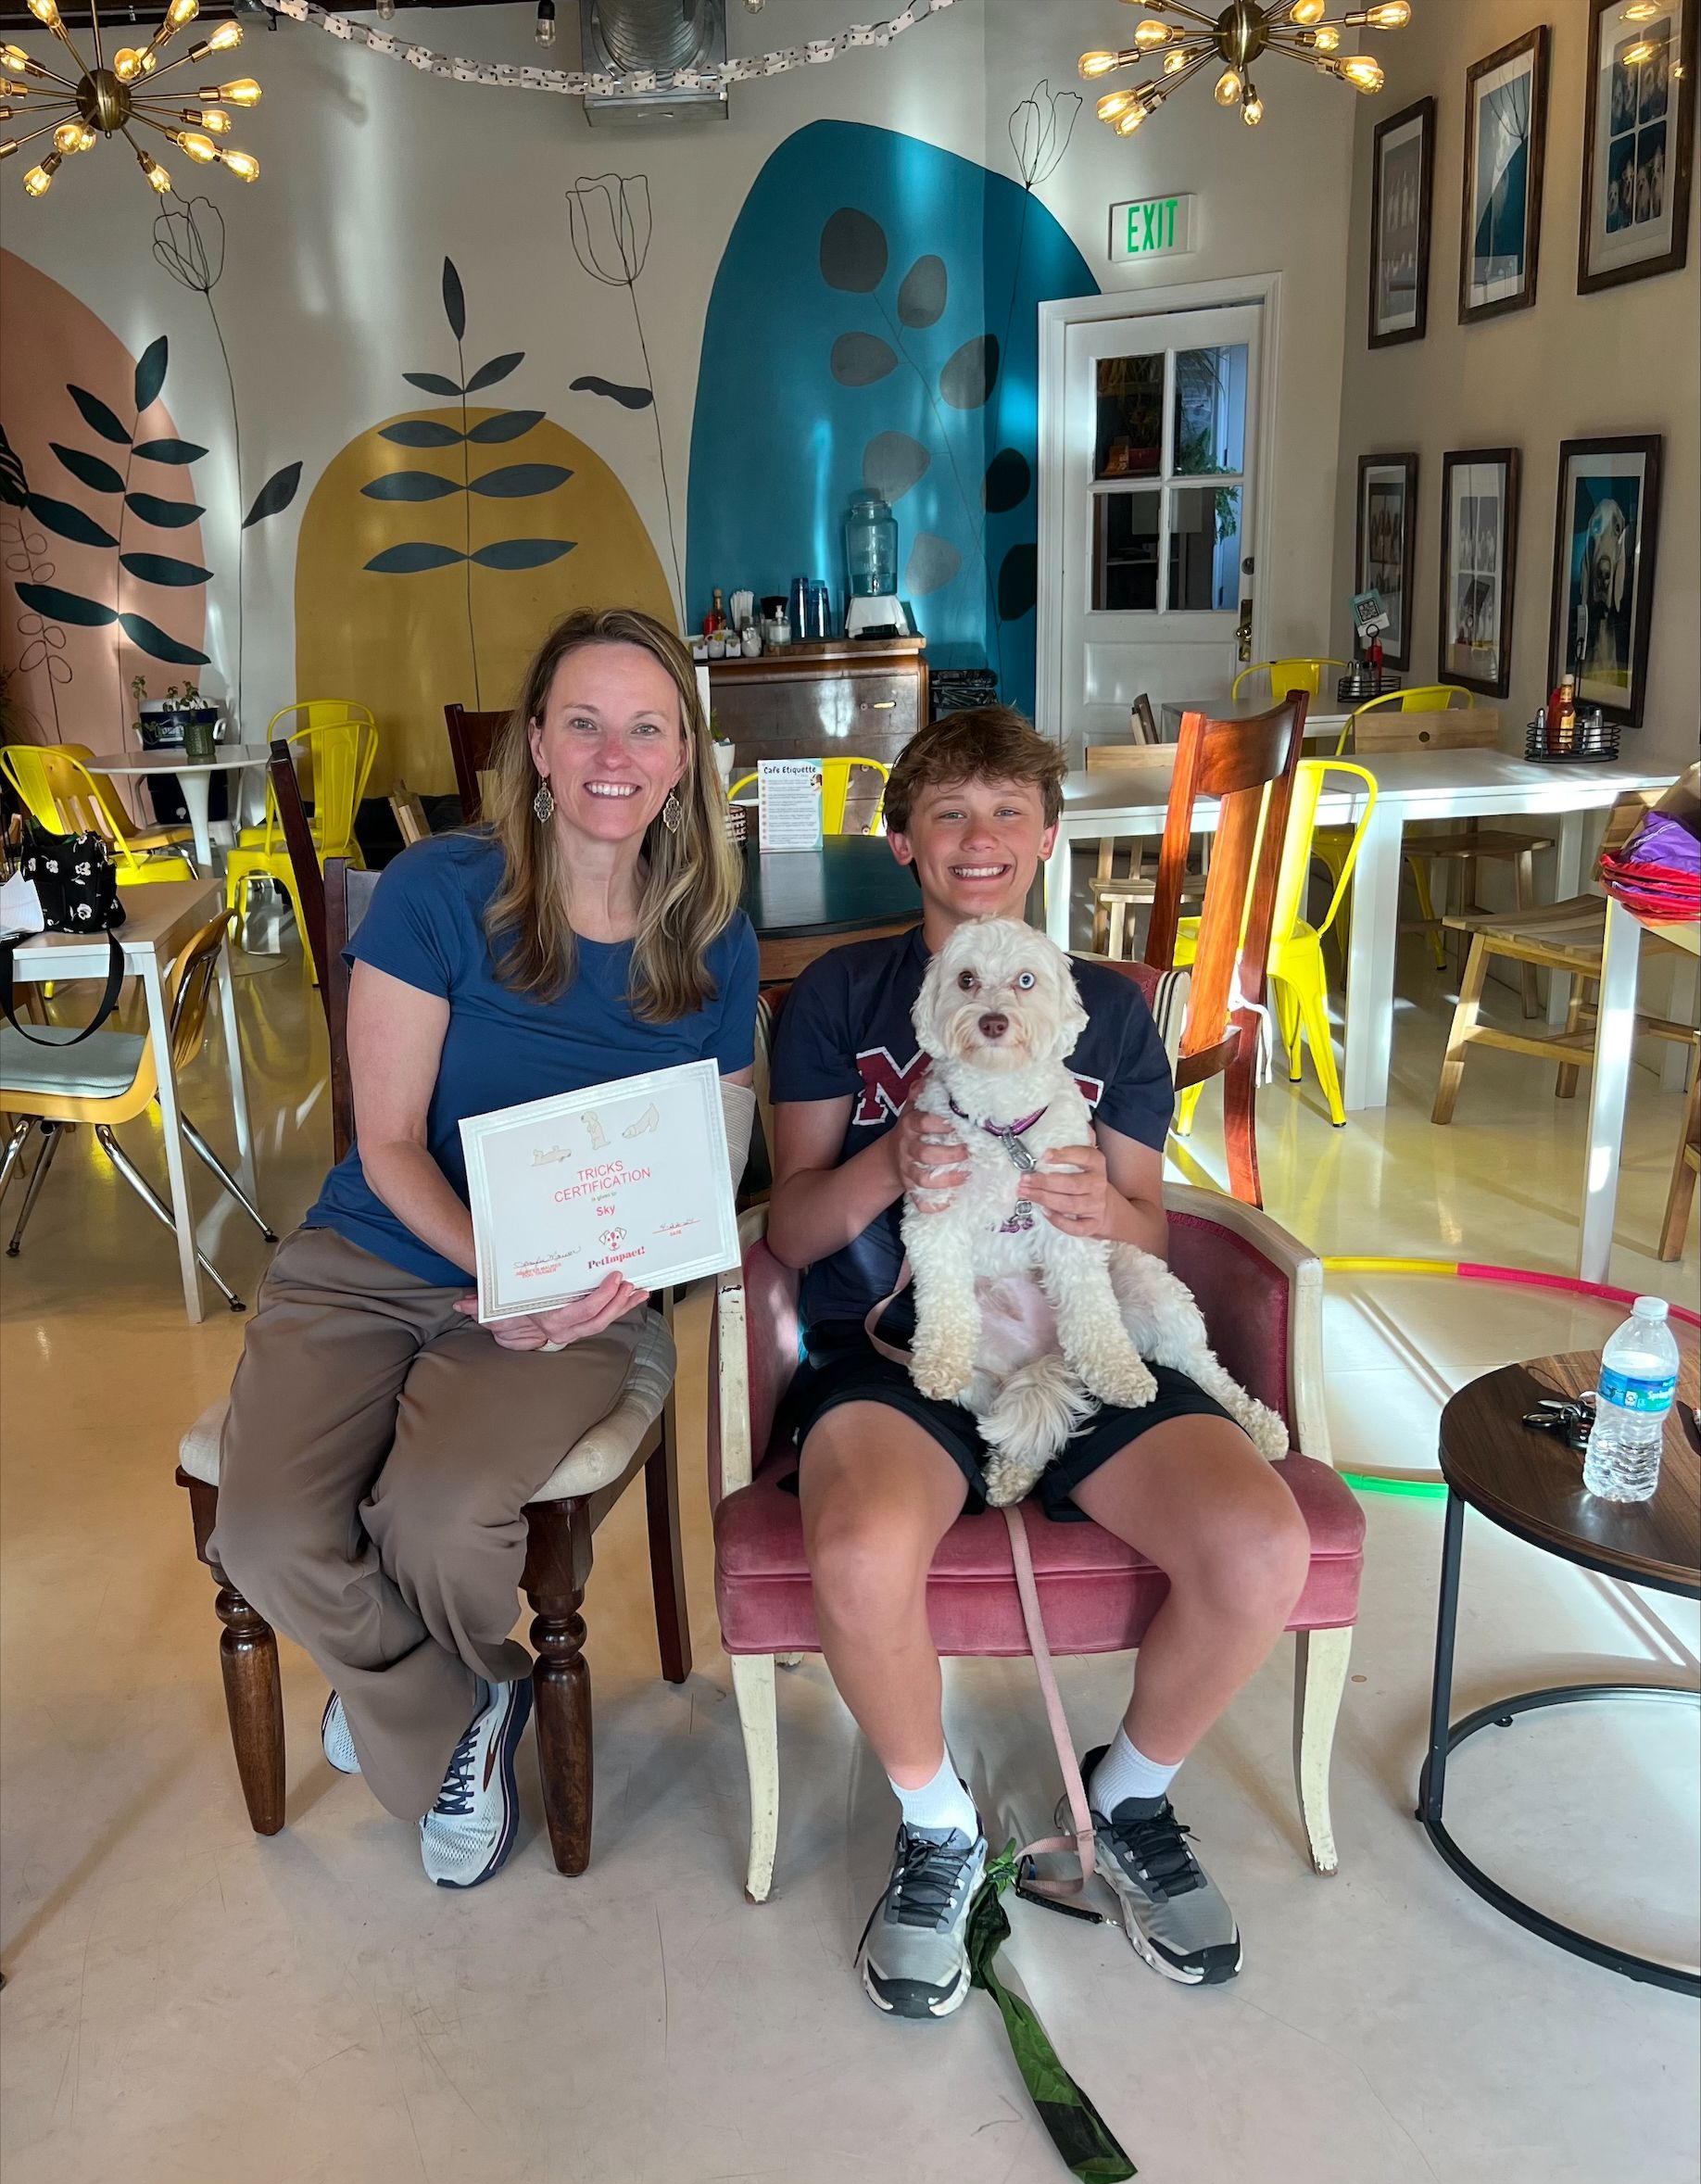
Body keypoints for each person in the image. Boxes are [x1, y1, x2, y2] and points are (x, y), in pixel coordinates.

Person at [766, 707, 1309, 2016]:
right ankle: (937, 1823)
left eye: (1008, 812)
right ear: (903, 840)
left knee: (1262, 1550)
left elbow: (1148, 1222)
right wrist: (887, 1164)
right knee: (853, 1551)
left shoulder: (1107, 1009)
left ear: (1050, 838)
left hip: (1081, 1326)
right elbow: (788, 1225)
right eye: (949, 813)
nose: (979, 839)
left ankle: (1123, 1800)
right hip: (898, 1342)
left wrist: (1094, 1215)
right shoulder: (841, 993)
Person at [210, 608, 757, 1889]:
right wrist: (499, 1268)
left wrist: (638, 1255)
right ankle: (463, 1705)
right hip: (382, 1253)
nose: (612, 755)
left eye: (646, 726)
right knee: (265, 1533)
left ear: (684, 755)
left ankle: (395, 1692)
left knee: (443, 1524)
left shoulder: (710, 927)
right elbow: (391, 1143)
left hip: (579, 1291)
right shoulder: (440, 890)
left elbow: (717, 1134)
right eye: (584, 723)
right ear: (536, 747)